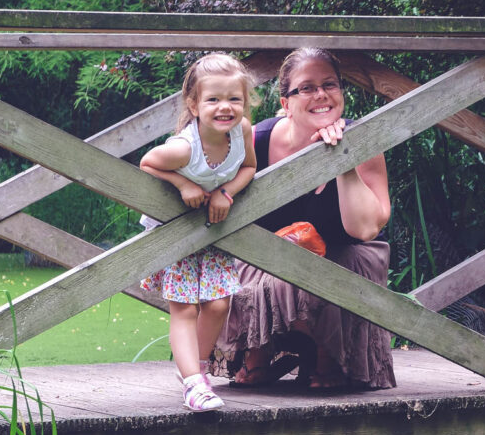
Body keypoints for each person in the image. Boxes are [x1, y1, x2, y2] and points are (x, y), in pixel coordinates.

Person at [209, 46, 396, 392]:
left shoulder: (364, 141)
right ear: (285, 103)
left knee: (351, 261)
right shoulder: (256, 141)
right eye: (307, 88)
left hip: (344, 257)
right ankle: (258, 352)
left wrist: (343, 161)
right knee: (245, 260)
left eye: (330, 85)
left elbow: (366, 229)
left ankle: (330, 355)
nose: (321, 95)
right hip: (267, 258)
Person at [139, 52, 257, 412]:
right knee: (185, 310)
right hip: (175, 231)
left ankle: (198, 372)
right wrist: (182, 185)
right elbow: (146, 163)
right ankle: (193, 383)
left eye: (234, 99)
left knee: (220, 303)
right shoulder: (183, 148)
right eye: (214, 99)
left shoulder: (244, 131)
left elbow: (249, 167)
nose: (226, 107)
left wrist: (227, 192)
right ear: (193, 104)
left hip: (212, 230)